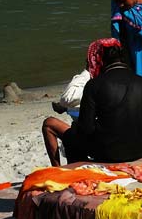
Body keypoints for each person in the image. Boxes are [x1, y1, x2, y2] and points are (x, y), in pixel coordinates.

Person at [76, 43, 142, 163]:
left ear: (103, 62)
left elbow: (86, 127)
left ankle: (79, 171)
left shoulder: (93, 85)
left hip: (105, 153)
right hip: (139, 150)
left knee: (71, 135)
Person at [41, 38, 121, 166]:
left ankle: (58, 168)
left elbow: (68, 97)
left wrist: (88, 70)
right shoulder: (133, 79)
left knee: (53, 125)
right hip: (127, 142)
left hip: (104, 145)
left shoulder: (95, 84)